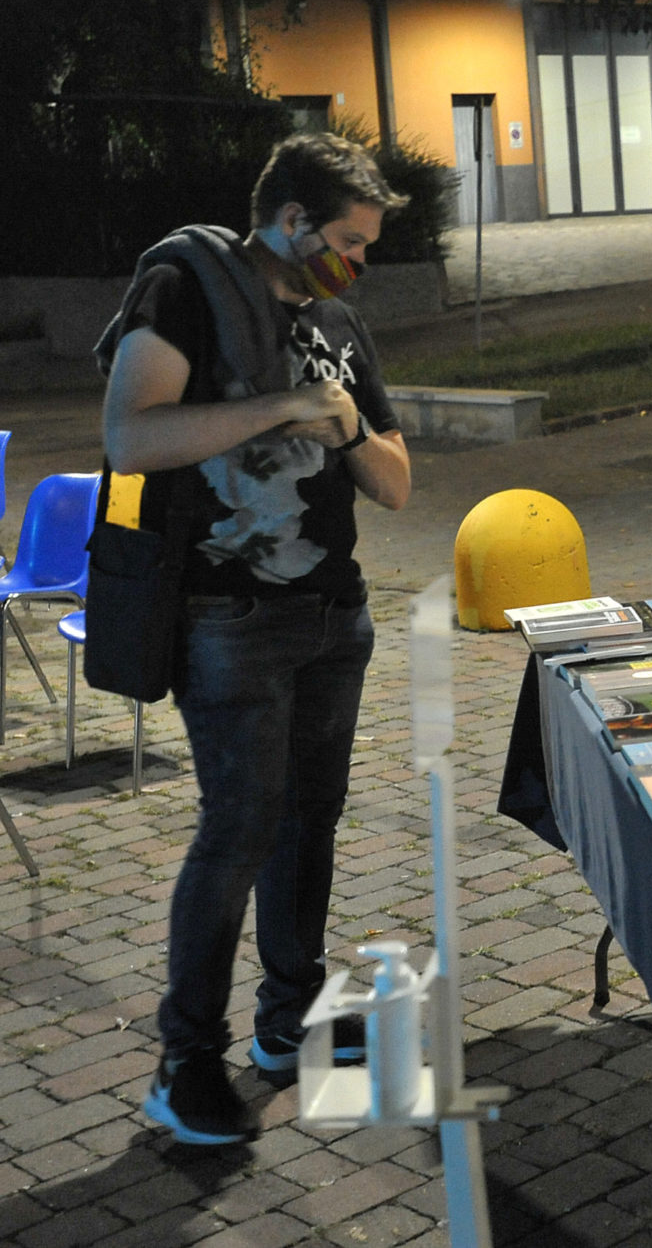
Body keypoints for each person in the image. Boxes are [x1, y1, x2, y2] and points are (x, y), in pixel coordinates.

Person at [98, 133, 413, 1145]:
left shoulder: (340, 324)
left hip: (334, 613)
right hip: (228, 614)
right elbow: (131, 436)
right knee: (237, 828)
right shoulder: (182, 287)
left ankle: (288, 1024)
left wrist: (349, 428)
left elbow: (399, 480)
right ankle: (186, 1058)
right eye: (348, 242)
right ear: (290, 221)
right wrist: (279, 405)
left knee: (308, 822)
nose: (357, 262)